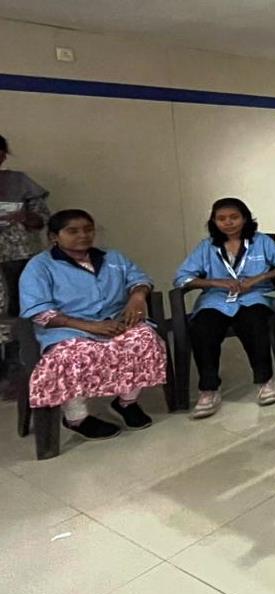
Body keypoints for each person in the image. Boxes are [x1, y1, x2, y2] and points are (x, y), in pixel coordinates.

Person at [19, 209, 167, 439]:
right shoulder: (40, 266)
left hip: (114, 320)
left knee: (145, 339)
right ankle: (76, 418)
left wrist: (137, 296)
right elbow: (40, 312)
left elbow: (139, 279)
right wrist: (90, 327)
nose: (83, 235)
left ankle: (126, 402)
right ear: (54, 237)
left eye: (88, 230)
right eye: (73, 231)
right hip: (67, 329)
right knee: (71, 357)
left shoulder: (113, 258)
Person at [174, 198, 275, 418]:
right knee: (202, 328)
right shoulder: (206, 246)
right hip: (217, 299)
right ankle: (209, 389)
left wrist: (259, 278)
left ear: (245, 218)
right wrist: (215, 282)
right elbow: (182, 278)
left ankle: (265, 380)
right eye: (221, 219)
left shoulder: (260, 241)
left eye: (234, 217)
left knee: (254, 322)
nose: (228, 223)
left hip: (253, 296)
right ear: (213, 221)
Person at [0, 134, 51, 347]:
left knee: (21, 306)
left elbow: (43, 219)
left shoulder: (19, 181)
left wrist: (24, 216)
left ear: (3, 155)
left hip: (19, 256)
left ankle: (18, 353)